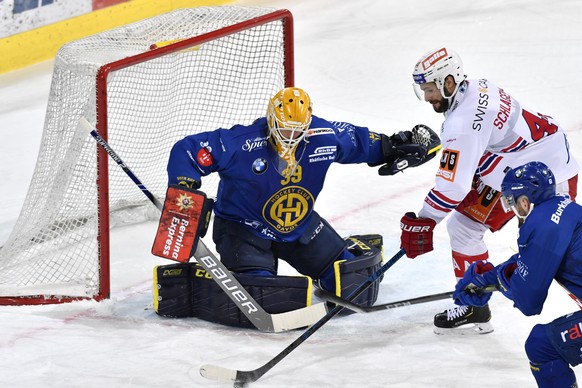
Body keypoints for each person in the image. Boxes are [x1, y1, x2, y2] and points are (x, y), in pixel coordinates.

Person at [156, 87, 441, 328]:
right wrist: (185, 195)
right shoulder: (240, 143)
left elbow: (360, 142)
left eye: (298, 131)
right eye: (284, 129)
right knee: (264, 300)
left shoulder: (323, 135)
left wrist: (398, 145)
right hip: (244, 230)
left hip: (300, 227)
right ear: (271, 119)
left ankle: (353, 247)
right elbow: (188, 150)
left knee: (356, 288)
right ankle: (195, 285)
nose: (290, 137)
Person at [399, 47, 579, 335]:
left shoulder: (462, 123)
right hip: (513, 166)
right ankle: (475, 305)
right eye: (423, 90)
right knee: (463, 226)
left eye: (430, 89)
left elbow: (452, 187)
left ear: (448, 81)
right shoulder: (475, 87)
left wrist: (424, 221)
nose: (427, 97)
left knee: (560, 254)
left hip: (548, 176)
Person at [453, 161, 582, 388]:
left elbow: (529, 300)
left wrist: (499, 283)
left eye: (512, 203)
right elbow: (537, 257)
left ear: (525, 201)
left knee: (541, 345)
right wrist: (490, 277)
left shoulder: (541, 225)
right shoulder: (565, 208)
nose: (514, 210)